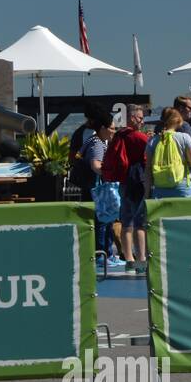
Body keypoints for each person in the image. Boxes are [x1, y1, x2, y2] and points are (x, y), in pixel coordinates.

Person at [103, 105, 150, 275]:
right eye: (139, 118)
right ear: (131, 118)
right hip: (137, 181)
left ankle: (129, 259)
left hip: (123, 182)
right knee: (140, 223)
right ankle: (141, 260)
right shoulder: (138, 136)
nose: (142, 121)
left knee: (126, 223)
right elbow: (149, 153)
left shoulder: (118, 135)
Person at [75, 114, 118, 270]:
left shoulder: (95, 141)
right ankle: (102, 255)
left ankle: (106, 253)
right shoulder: (98, 144)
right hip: (98, 189)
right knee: (102, 221)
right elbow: (95, 165)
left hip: (94, 187)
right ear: (102, 128)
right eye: (112, 128)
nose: (114, 131)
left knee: (104, 221)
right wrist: (110, 175)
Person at [145, 107, 191, 199]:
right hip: (183, 187)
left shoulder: (153, 141)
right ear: (178, 121)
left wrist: (147, 193)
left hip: (160, 190)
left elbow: (148, 169)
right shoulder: (184, 137)